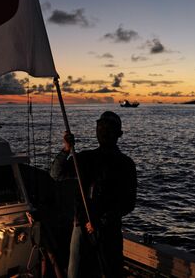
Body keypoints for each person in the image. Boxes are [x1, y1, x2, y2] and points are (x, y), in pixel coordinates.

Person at [50, 111, 137, 278]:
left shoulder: (126, 165)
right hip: (82, 228)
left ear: (119, 134)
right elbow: (56, 173)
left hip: (109, 232)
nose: (103, 131)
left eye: (108, 128)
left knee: (109, 272)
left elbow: (129, 203)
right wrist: (66, 149)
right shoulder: (85, 158)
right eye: (100, 127)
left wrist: (102, 221)